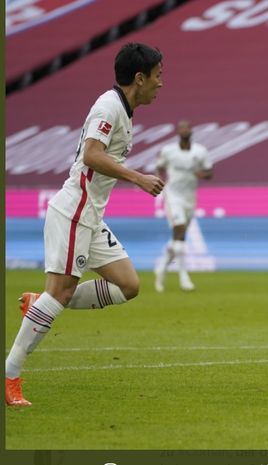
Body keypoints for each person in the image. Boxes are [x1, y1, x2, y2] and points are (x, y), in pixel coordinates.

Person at [6, 43, 164, 406]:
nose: (161, 83)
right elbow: (92, 154)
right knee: (60, 293)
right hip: (75, 210)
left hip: (91, 216)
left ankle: (40, 304)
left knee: (128, 285)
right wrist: (137, 178)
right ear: (139, 78)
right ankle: (11, 374)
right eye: (158, 76)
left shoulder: (123, 110)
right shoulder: (108, 106)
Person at [154, 120, 213, 292]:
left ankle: (161, 268)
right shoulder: (169, 151)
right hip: (173, 197)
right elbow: (159, 168)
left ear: (191, 131)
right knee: (179, 232)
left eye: (187, 127)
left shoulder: (200, 151)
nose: (184, 130)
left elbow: (209, 172)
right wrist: (161, 186)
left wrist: (203, 173)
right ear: (178, 132)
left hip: (190, 199)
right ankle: (183, 277)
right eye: (181, 128)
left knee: (177, 238)